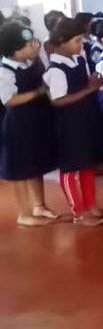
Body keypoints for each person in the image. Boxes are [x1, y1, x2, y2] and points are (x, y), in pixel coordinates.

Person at [44, 17, 103, 226]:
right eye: (77, 40)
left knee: (87, 164)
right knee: (70, 169)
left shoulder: (79, 59)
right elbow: (59, 100)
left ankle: (90, 204)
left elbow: (87, 82)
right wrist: (89, 89)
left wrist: (94, 83)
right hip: (68, 125)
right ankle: (78, 211)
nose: (81, 45)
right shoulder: (56, 70)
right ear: (62, 40)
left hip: (84, 120)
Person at [0, 23, 58, 226]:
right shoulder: (5, 71)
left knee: (35, 165)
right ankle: (24, 213)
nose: (35, 46)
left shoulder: (29, 61)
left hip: (37, 121)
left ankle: (39, 205)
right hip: (19, 125)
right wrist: (37, 93)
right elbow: (9, 99)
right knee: (20, 170)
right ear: (15, 50)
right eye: (30, 44)